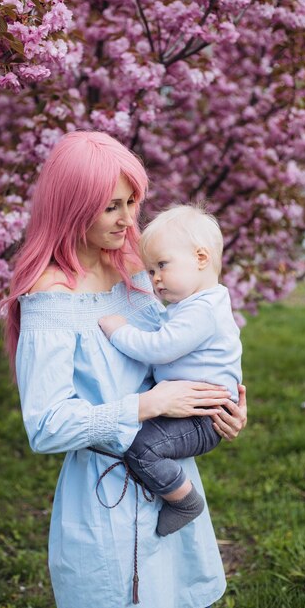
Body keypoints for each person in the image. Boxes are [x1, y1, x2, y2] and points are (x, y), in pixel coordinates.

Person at [4, 130, 247, 608]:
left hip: (169, 476)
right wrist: (146, 405)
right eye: (112, 206)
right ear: (73, 205)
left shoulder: (137, 268)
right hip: (104, 491)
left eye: (132, 201)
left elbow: (184, 347)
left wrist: (226, 402)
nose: (129, 218)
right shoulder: (51, 298)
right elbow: (46, 426)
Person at [98, 205, 242, 538]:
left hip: (204, 417)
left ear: (201, 259)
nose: (155, 279)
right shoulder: (194, 305)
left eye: (162, 265)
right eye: (149, 271)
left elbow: (159, 348)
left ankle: (184, 501)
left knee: (142, 449)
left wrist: (119, 331)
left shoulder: (202, 311)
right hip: (197, 409)